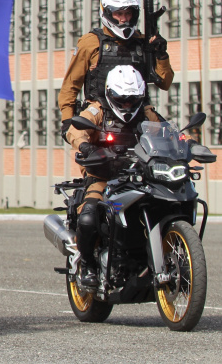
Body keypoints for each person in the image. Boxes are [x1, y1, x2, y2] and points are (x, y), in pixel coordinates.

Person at [64, 65, 178, 287]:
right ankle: (87, 264)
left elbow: (166, 132)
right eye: (122, 98)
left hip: (141, 177)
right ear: (110, 93)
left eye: (132, 99)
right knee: (89, 217)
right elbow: (74, 130)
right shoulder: (98, 110)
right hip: (103, 177)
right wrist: (85, 146)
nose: (127, 104)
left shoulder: (145, 112)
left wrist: (183, 142)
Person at [58, 0, 173, 140]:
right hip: (99, 117)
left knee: (171, 142)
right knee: (89, 156)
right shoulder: (90, 42)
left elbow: (165, 83)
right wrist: (67, 121)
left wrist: (161, 55)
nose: (124, 19)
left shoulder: (142, 42)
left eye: (128, 13)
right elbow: (71, 85)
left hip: (139, 116)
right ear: (107, 13)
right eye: (119, 13)